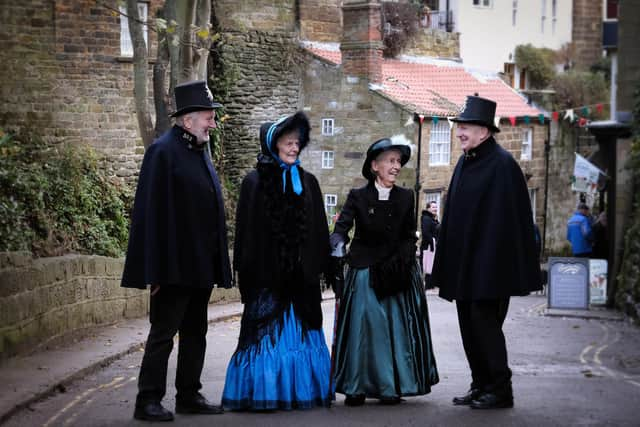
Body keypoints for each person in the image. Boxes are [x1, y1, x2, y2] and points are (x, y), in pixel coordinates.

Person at [121, 80, 232, 422]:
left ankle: (188, 394)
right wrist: (152, 270)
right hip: (171, 267)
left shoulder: (199, 149)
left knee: (196, 330)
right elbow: (149, 215)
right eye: (208, 117)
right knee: (163, 334)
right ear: (187, 121)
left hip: (199, 266)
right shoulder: (163, 151)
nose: (213, 124)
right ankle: (148, 400)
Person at [431, 95, 541, 410]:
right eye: (460, 126)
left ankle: (500, 389)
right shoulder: (467, 161)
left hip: (491, 270)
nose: (460, 132)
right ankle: (480, 384)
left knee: (485, 326)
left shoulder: (503, 165)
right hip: (467, 266)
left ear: (485, 131)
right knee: (468, 324)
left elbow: (508, 225)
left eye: (466, 127)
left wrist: (491, 265)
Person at [221, 112, 333, 411]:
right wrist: (246, 274)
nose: (294, 147)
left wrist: (321, 268)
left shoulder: (308, 182)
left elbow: (320, 229)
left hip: (302, 281)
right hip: (267, 280)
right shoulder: (253, 182)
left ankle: (299, 391)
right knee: (263, 335)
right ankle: (265, 392)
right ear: (274, 143)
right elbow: (245, 233)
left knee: (303, 334)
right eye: (288, 141)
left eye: (297, 142)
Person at [330, 138, 439, 406]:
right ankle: (356, 386)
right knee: (363, 329)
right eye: (390, 161)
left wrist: (401, 261)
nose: (396, 166)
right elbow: (341, 230)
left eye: (398, 161)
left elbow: (407, 236)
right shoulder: (358, 196)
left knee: (395, 328)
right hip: (364, 268)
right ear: (375, 166)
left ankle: (391, 386)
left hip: (396, 269)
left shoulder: (406, 196)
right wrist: (336, 248)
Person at [421, 200, 440, 290]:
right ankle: (427, 286)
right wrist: (433, 241)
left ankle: (430, 285)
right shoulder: (426, 218)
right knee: (429, 266)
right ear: (428, 208)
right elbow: (425, 233)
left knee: (431, 266)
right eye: (433, 207)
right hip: (428, 247)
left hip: (433, 247)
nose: (435, 209)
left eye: (436, 207)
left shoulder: (433, 219)